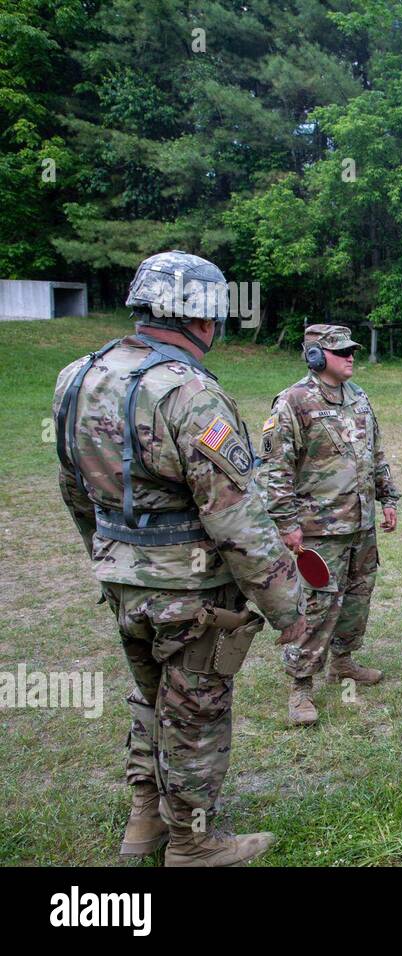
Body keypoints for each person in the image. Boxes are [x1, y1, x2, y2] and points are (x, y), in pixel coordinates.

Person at [53, 250, 306, 865]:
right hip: (190, 595)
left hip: (122, 579)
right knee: (195, 714)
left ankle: (145, 821)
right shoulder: (190, 394)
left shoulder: (77, 377)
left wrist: (107, 555)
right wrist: (287, 607)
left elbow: (74, 487)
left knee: (149, 698)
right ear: (205, 319)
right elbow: (236, 517)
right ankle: (193, 843)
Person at [260, 324, 401, 726]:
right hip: (319, 529)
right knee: (318, 604)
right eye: (340, 352)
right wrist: (286, 522)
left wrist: (388, 498)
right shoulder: (293, 402)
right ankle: (300, 686)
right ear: (316, 357)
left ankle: (343, 661)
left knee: (358, 598)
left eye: (352, 350)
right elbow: (275, 469)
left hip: (361, 523)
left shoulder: (358, 398)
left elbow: (376, 454)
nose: (350, 357)